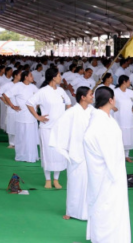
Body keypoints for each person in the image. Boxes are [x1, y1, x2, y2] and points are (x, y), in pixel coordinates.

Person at [83, 86, 131, 242]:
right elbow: (108, 152)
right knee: (106, 206)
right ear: (111, 100)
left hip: (112, 170)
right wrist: (115, 172)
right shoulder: (100, 122)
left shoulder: (106, 119)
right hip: (107, 173)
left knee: (111, 207)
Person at [49, 86, 94, 220]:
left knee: (91, 184)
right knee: (75, 183)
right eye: (90, 94)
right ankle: (71, 211)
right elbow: (59, 128)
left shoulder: (93, 112)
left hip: (91, 153)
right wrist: (66, 149)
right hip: (76, 153)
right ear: (83, 97)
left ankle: (89, 212)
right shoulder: (72, 112)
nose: (93, 96)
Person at [26, 67, 71, 189]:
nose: (61, 78)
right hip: (47, 128)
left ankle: (56, 179)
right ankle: (47, 179)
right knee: (47, 153)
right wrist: (38, 116)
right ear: (53, 77)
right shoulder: (43, 91)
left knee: (59, 153)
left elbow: (69, 103)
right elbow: (29, 103)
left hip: (60, 128)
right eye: (59, 75)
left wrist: (66, 116)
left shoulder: (61, 91)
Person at [5, 70, 40, 163]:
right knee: (21, 137)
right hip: (21, 116)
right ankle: (21, 156)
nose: (32, 77)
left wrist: (37, 104)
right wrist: (12, 106)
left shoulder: (33, 87)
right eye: (31, 76)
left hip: (32, 116)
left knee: (31, 137)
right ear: (26, 77)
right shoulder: (18, 86)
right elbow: (6, 95)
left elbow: (39, 97)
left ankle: (31, 156)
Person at [113, 75, 133, 161]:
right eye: (129, 81)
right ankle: (117, 155)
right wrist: (113, 107)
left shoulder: (130, 92)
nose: (130, 83)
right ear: (124, 81)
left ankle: (126, 155)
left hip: (128, 117)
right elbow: (108, 101)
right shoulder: (115, 91)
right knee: (118, 134)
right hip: (118, 117)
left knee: (128, 135)